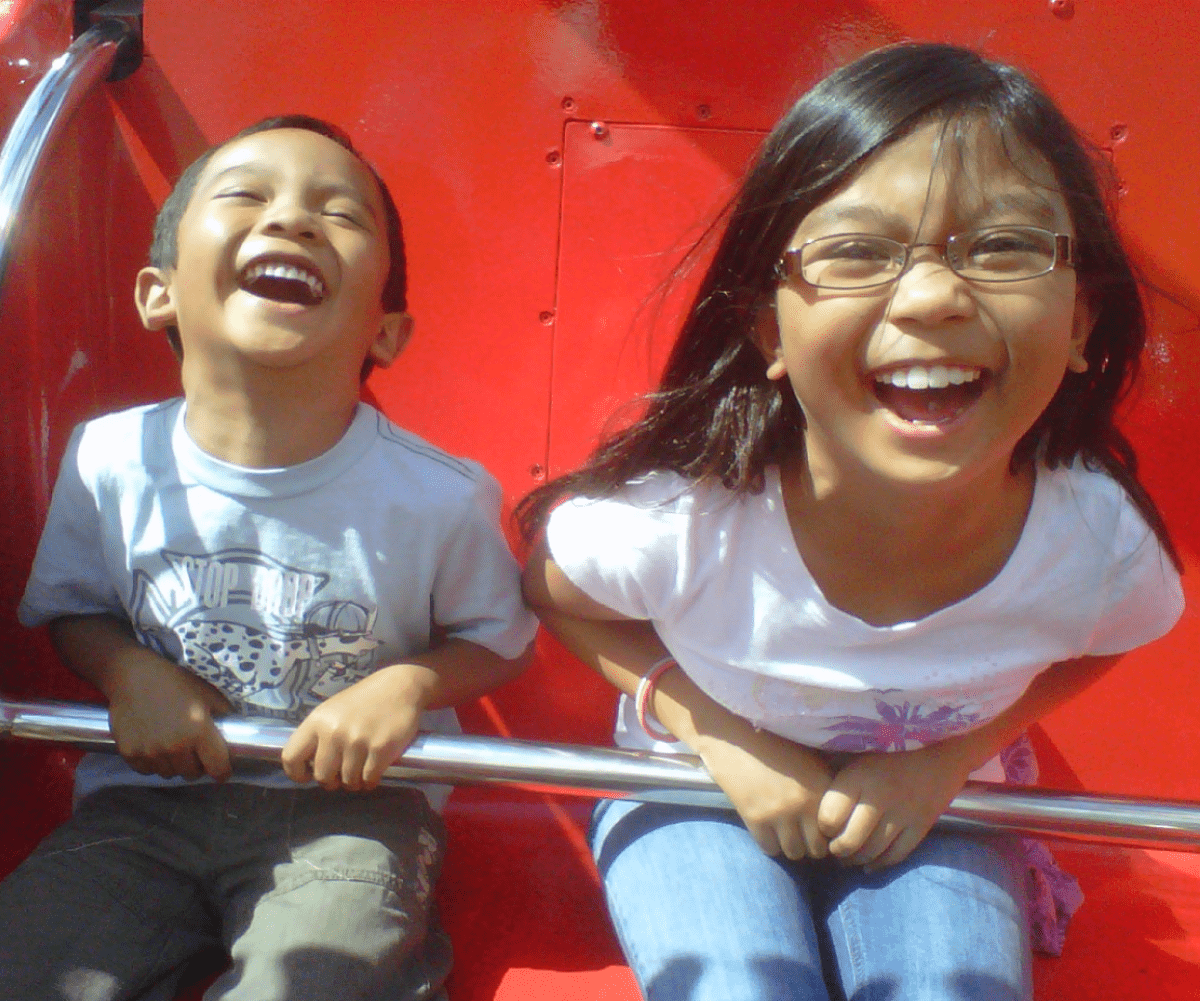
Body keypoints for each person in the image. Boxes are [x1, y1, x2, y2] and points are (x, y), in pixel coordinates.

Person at [519, 43, 1183, 1001]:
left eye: (1001, 246)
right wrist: (720, 738)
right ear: (765, 328)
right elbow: (557, 591)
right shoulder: (688, 516)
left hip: (936, 804)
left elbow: (1115, 636)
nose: (932, 297)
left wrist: (948, 762)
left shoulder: (1096, 543)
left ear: (1081, 320)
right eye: (859, 251)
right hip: (699, 787)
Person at [0, 115, 537, 1001]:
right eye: (247, 195)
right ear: (157, 293)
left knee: (319, 983)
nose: (291, 220)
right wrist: (128, 670)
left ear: (389, 332)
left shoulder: (439, 495)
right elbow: (73, 608)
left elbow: (500, 638)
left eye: (339, 212)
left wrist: (403, 688)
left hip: (356, 814)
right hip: (146, 798)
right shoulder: (107, 459)